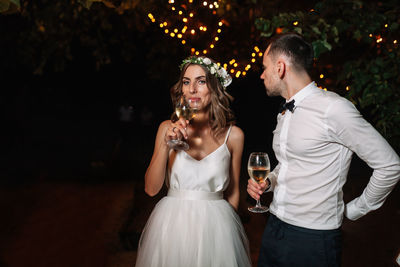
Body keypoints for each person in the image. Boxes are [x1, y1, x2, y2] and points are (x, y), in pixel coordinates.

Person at [247, 32, 400, 267]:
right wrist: (268, 181)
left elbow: (390, 165)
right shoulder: (284, 112)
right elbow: (289, 165)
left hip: (313, 238)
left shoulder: (334, 109)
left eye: (264, 67)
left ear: (280, 67)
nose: (261, 74)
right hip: (274, 227)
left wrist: (355, 209)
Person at [135, 56, 252, 267]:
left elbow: (233, 192)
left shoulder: (234, 136)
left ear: (214, 88)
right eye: (187, 82)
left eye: (201, 81)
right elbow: (151, 189)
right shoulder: (165, 129)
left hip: (216, 233)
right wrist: (165, 144)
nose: (192, 90)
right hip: (172, 229)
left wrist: (224, 233)